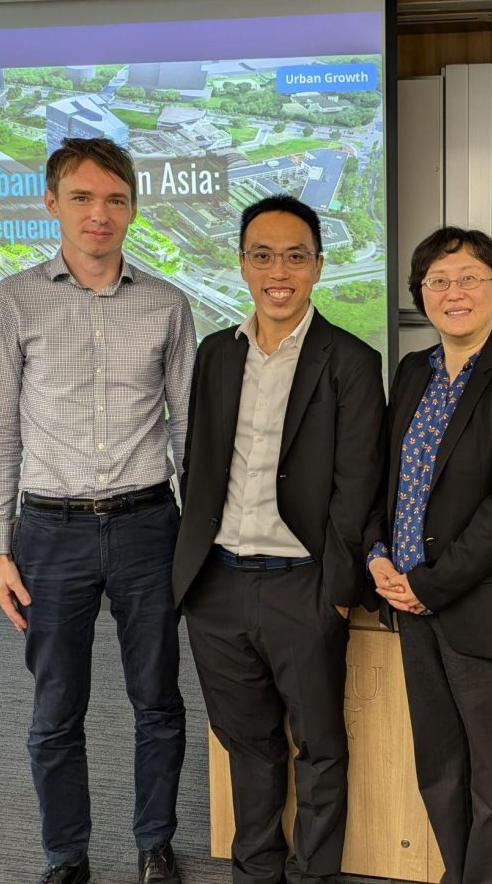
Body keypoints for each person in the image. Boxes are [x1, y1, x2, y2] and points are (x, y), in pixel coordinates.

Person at [0, 138, 194, 884]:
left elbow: (189, 427)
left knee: (157, 698)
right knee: (56, 708)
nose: (101, 214)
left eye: (115, 199)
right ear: (52, 202)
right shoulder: (14, 300)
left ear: (133, 207)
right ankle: (67, 854)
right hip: (50, 532)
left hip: (146, 526)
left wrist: (199, 540)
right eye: (83, 198)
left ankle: (154, 842)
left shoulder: (166, 303)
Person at [171, 195, 384, 884]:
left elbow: (357, 488)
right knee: (247, 743)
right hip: (219, 586)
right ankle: (256, 870)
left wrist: (334, 594)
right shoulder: (215, 353)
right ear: (242, 265)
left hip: (303, 585)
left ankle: (314, 874)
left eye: (295, 255)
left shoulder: (351, 360)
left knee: (320, 747)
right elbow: (198, 464)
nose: (278, 270)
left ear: (319, 266)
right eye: (262, 254)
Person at [366, 227, 492, 884]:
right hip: (411, 601)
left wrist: (432, 584)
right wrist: (378, 557)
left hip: (486, 606)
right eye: (440, 279)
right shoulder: (412, 370)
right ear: (422, 293)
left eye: (471, 277)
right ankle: (461, 872)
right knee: (440, 764)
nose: (455, 291)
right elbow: (389, 480)